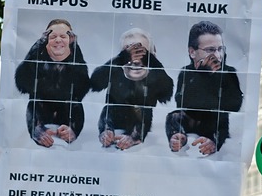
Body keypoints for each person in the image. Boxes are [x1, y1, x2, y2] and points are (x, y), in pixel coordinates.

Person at [165, 20, 243, 155]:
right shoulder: (186, 72)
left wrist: (215, 79)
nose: (217, 56)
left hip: (214, 121)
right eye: (210, 50)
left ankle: (213, 143)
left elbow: (235, 105)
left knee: (221, 118)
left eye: (220, 49)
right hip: (191, 119)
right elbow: (182, 103)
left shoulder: (228, 71)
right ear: (192, 52)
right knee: (173, 116)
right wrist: (201, 76)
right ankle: (178, 137)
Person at [90, 27, 173, 150]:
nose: (135, 58)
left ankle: (135, 136)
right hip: (116, 113)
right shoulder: (116, 69)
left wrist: (153, 62)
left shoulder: (153, 75)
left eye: (140, 51)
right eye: (130, 51)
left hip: (141, 119)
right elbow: (95, 84)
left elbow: (166, 95)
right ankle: (106, 131)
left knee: (144, 110)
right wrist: (121, 58)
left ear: (151, 54)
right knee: (107, 109)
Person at [15, 18, 90, 148]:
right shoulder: (39, 55)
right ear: (46, 40)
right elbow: (21, 83)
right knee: (35, 100)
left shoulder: (74, 57)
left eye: (63, 36)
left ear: (70, 40)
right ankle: (36, 130)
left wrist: (75, 48)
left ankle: (72, 131)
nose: (58, 40)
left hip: (67, 116)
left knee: (76, 102)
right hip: (41, 114)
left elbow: (82, 89)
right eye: (53, 36)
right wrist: (38, 45)